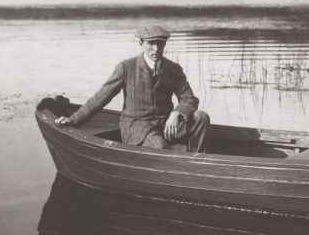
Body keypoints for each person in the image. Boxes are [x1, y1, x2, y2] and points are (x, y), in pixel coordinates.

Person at [55, 24, 210, 152]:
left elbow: (189, 98)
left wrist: (177, 113)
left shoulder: (173, 68)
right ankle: (175, 159)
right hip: (136, 126)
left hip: (164, 123)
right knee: (160, 146)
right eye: (151, 43)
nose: (156, 49)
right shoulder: (126, 67)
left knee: (201, 117)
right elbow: (102, 96)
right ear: (141, 43)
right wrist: (73, 120)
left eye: (160, 43)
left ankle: (195, 160)